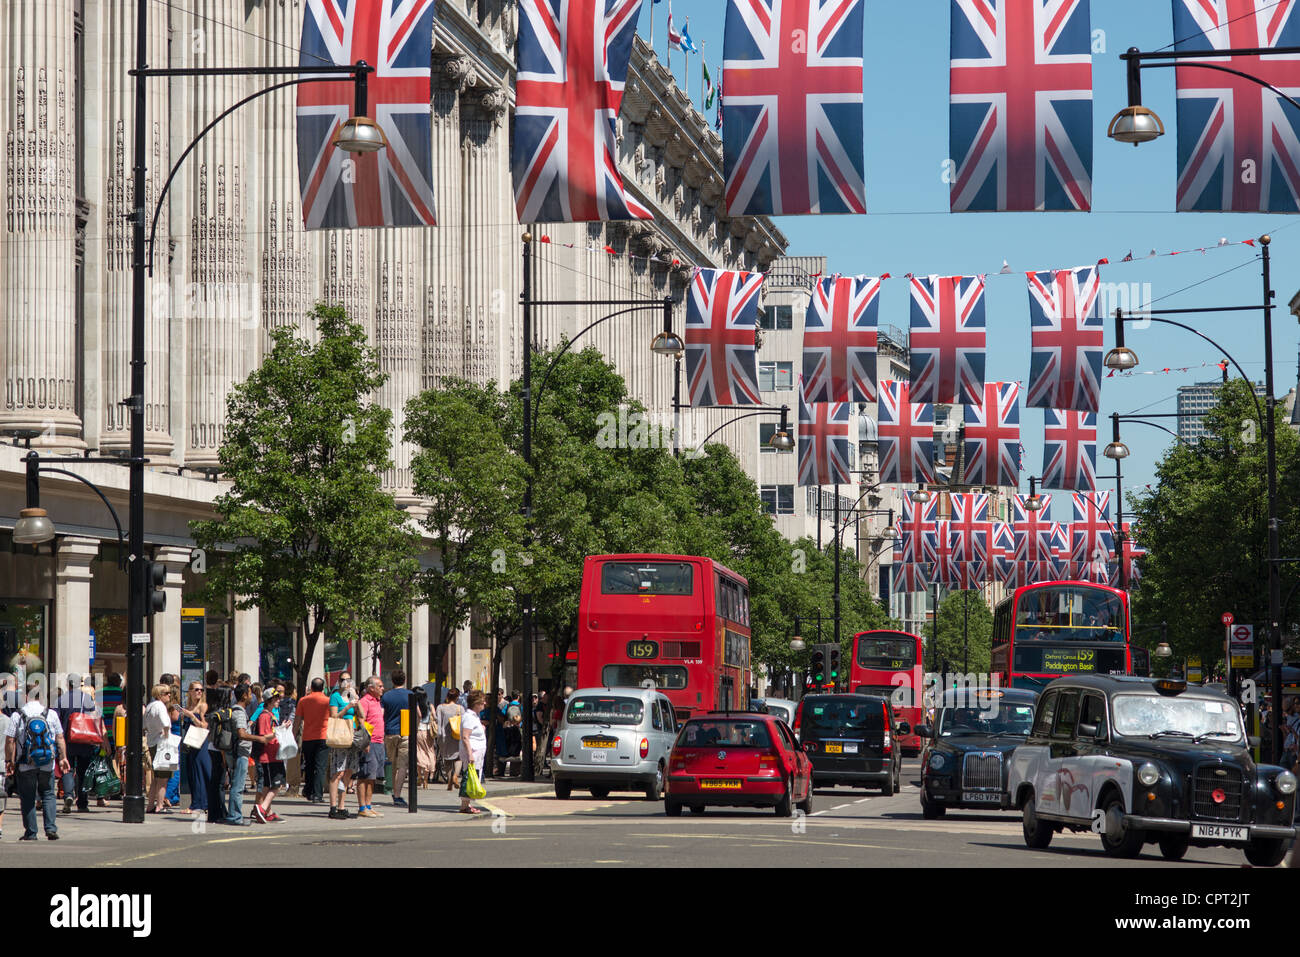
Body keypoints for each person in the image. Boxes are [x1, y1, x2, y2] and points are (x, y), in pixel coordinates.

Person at [4, 683, 70, 840]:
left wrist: (10, 760)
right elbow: (60, 738)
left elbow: (10, 740)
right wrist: (63, 758)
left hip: (26, 763)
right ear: (41, 697)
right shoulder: (51, 714)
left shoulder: (17, 715)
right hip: (47, 762)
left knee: (27, 797)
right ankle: (51, 828)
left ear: (25, 696)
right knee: (48, 794)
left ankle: (31, 832)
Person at [54, 673, 100, 814]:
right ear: (79, 684)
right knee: (83, 771)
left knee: (67, 768)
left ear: (68, 684)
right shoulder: (87, 699)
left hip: (67, 740)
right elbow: (94, 717)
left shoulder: (61, 700)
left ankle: (68, 795)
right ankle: (83, 803)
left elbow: (56, 720)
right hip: (84, 739)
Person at [223, 683, 268, 826]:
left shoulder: (238, 711)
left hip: (239, 752)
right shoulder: (240, 712)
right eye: (249, 694)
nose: (252, 697)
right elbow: (242, 733)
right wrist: (259, 738)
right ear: (244, 696)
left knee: (237, 784)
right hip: (240, 753)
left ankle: (234, 814)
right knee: (238, 786)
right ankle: (235, 816)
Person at [327, 675, 359, 820]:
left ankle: (342, 806)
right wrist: (347, 707)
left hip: (352, 735)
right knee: (337, 772)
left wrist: (356, 701)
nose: (346, 682)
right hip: (340, 735)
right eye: (343, 680)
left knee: (348, 771)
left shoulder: (352, 695)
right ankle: (333, 807)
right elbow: (334, 716)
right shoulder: (335, 697)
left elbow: (362, 715)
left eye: (349, 679)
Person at [251, 688, 286, 823]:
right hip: (269, 756)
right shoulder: (265, 716)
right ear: (269, 701)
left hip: (272, 755)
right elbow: (265, 737)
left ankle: (267, 812)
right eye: (275, 698)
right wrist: (280, 731)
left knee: (267, 785)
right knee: (277, 784)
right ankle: (263, 808)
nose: (278, 700)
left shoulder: (270, 714)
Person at [178, 681, 211, 818]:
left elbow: (204, 726)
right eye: (196, 689)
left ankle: (202, 804)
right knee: (192, 772)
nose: (199, 692)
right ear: (190, 691)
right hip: (190, 742)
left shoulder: (202, 706)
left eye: (201, 690)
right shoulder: (188, 706)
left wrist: (191, 716)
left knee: (201, 771)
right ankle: (195, 803)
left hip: (201, 742)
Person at [294, 678, 330, 804]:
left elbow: (297, 720)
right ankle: (317, 794)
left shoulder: (303, 701)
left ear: (312, 687)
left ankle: (308, 791)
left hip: (308, 737)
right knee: (320, 766)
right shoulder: (328, 701)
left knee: (309, 765)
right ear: (323, 687)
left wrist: (293, 735)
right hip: (323, 736)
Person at [354, 676, 386, 818]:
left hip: (379, 742)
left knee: (372, 776)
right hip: (370, 742)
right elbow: (361, 720)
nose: (382, 688)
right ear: (371, 688)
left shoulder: (377, 701)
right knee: (364, 774)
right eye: (380, 686)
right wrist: (365, 741)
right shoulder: (364, 701)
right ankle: (362, 807)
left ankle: (368, 805)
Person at [381, 670, 413, 806]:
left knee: (392, 763)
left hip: (389, 733)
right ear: (404, 680)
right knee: (402, 766)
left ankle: (391, 789)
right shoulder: (410, 695)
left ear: (392, 681)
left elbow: (381, 714)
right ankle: (397, 795)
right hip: (405, 733)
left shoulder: (386, 696)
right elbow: (417, 713)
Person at [144, 684, 175, 814]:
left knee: (156, 777)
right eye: (166, 693)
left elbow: (144, 725)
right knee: (163, 778)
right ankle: (160, 805)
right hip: (162, 743)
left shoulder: (150, 706)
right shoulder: (160, 706)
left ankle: (150, 805)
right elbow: (166, 724)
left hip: (152, 742)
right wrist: (167, 736)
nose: (169, 695)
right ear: (159, 695)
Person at [458, 689, 487, 815]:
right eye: (482, 702)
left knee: (472, 777)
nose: (484, 704)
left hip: (476, 752)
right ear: (476, 703)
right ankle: (465, 805)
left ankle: (467, 804)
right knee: (469, 778)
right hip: (473, 753)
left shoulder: (474, 716)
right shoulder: (469, 717)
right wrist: (470, 753)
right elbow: (465, 736)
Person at [436, 688, 464, 789]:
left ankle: (449, 779)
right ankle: (456, 776)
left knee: (447, 759)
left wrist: (439, 737)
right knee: (458, 757)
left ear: (447, 696)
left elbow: (438, 723)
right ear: (457, 697)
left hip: (444, 737)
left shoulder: (440, 708)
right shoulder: (460, 708)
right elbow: (463, 723)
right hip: (457, 736)